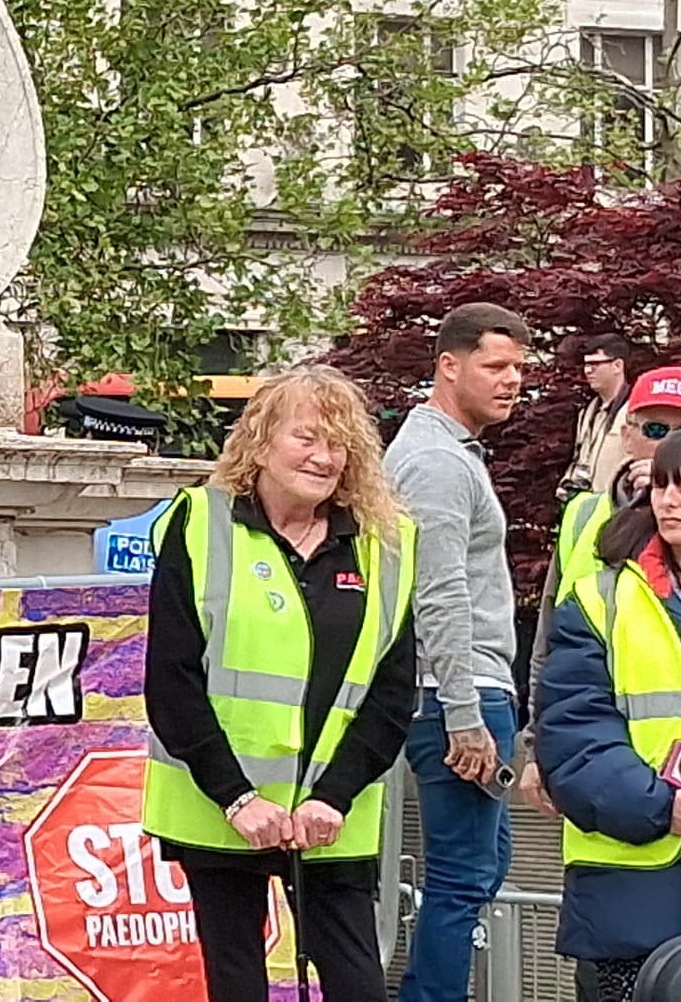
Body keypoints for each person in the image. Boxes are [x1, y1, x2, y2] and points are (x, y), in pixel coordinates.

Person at [143, 365, 417, 1001]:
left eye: (339, 443)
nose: (324, 457)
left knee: (359, 986)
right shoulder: (199, 524)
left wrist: (334, 796)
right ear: (260, 442)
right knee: (238, 984)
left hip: (331, 817)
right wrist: (237, 798)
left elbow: (392, 691)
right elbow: (173, 681)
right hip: (220, 809)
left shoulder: (388, 543)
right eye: (307, 438)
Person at [536, 429, 681, 1002]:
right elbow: (571, 733)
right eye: (660, 486)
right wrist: (661, 805)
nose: (669, 501)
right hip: (626, 901)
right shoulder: (598, 597)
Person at [382, 301, 530, 1002]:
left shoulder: (443, 453)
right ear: (448, 365)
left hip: (457, 688)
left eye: (519, 368)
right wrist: (464, 714)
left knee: (477, 869)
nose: (512, 381)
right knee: (462, 878)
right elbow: (438, 593)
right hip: (455, 691)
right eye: (495, 365)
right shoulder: (438, 463)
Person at [520, 366, 681, 817]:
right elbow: (548, 644)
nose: (669, 446)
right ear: (627, 435)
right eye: (656, 430)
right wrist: (534, 746)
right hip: (601, 769)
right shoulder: (584, 516)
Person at [559, 334, 633, 504]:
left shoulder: (636, 412)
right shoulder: (586, 413)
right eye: (586, 365)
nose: (587, 371)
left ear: (617, 365)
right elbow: (579, 458)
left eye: (595, 364)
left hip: (619, 509)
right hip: (584, 507)